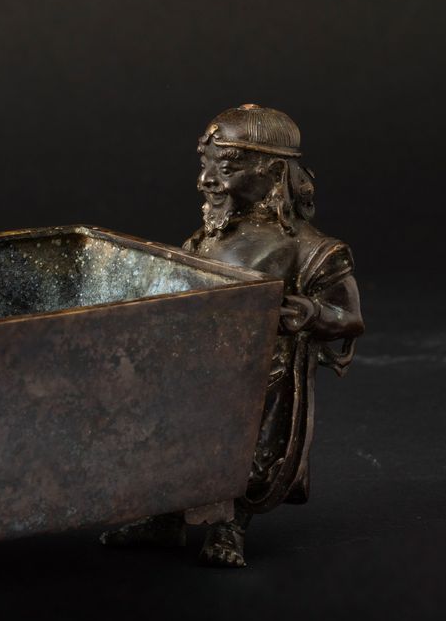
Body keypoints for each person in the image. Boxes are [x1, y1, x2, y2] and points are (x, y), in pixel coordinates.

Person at [102, 104, 365, 567]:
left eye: (225, 168)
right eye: (205, 165)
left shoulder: (310, 250)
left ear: (274, 173)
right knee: (170, 437)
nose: (207, 180)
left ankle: (230, 526)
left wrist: (308, 312)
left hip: (260, 375)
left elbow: (349, 318)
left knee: (245, 450)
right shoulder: (209, 237)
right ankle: (164, 517)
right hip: (192, 363)